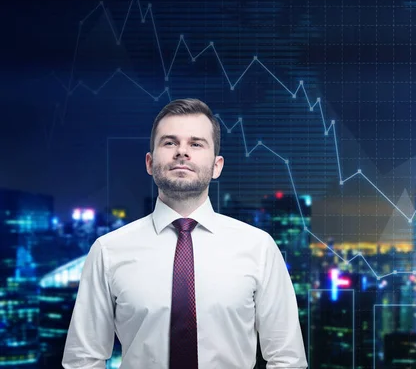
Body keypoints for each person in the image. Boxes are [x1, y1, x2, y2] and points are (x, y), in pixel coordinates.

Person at [62, 98, 308, 368]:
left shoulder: (259, 248)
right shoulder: (108, 251)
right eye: (169, 142)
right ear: (149, 162)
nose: (182, 152)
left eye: (196, 143)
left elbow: (287, 359)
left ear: (217, 166)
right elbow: (83, 359)